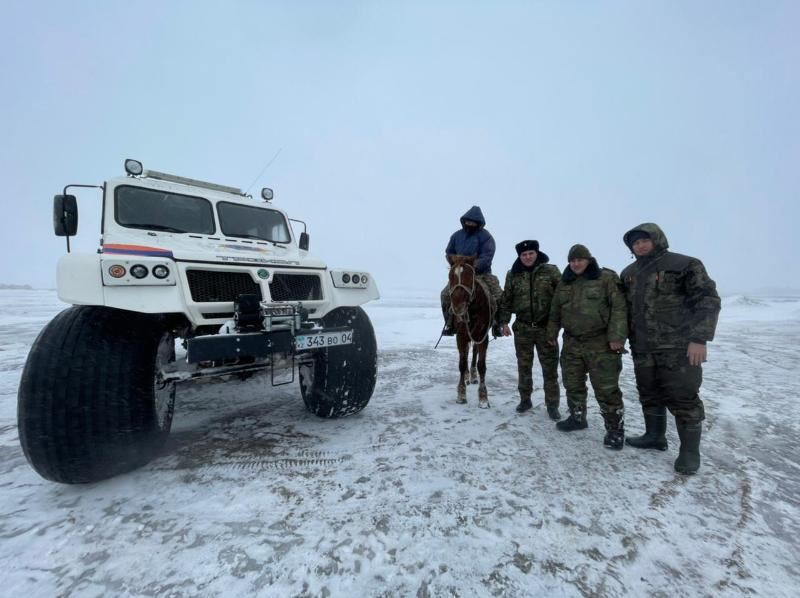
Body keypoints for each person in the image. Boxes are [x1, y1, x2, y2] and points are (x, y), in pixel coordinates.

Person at [620, 223, 721, 474]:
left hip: (678, 347)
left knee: (683, 397)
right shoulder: (629, 273)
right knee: (649, 393)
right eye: (635, 243)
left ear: (657, 239)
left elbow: (707, 300)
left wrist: (699, 339)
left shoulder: (685, 265)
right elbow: (623, 311)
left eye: (645, 240)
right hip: (642, 347)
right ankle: (654, 436)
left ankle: (689, 453)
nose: (640, 245)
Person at [546, 244, 628, 448]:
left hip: (600, 343)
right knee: (572, 383)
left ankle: (615, 429)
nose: (575, 263)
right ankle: (577, 417)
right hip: (572, 342)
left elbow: (619, 308)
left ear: (588, 260)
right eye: (572, 260)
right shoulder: (564, 283)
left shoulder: (605, 278)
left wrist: (617, 336)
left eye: (579, 259)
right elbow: (555, 310)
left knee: (606, 388)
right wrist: (551, 332)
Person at [497, 240, 562, 418]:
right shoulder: (513, 274)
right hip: (523, 329)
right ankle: (525, 400)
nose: (527, 257)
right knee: (524, 367)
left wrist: (556, 325)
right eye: (524, 255)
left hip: (546, 329)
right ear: (520, 256)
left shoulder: (551, 271)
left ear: (537, 253)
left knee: (550, 370)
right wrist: (504, 322)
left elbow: (561, 298)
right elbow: (506, 300)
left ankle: (552, 405)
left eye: (530, 253)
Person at [440, 206, 503, 336]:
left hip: (482, 273)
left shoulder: (486, 237)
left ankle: (497, 324)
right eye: (468, 221)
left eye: (473, 221)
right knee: (445, 294)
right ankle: (450, 323)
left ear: (479, 222)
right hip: (461, 274)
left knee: (498, 295)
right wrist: (453, 261)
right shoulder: (456, 236)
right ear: (464, 221)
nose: (470, 223)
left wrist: (473, 265)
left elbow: (488, 255)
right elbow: (449, 252)